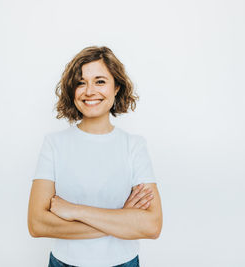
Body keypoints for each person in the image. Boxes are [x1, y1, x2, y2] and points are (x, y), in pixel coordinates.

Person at [28, 46, 163, 267]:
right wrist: (122, 219)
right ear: (72, 90)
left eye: (100, 81)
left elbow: (151, 226)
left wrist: (74, 211)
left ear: (117, 87)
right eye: (81, 82)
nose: (89, 91)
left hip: (123, 263)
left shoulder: (134, 146)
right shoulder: (54, 144)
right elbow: (37, 224)